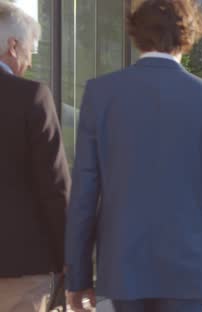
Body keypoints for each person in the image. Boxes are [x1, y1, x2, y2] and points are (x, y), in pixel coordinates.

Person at [64, 1, 202, 311]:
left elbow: (84, 195)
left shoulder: (101, 94)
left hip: (123, 263)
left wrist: (78, 279)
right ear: (187, 34)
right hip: (188, 266)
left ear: (135, 34)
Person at [0, 2, 71, 311]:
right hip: (20, 265)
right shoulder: (31, 96)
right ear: (12, 46)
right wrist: (71, 256)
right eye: (31, 48)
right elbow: (54, 186)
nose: (30, 60)